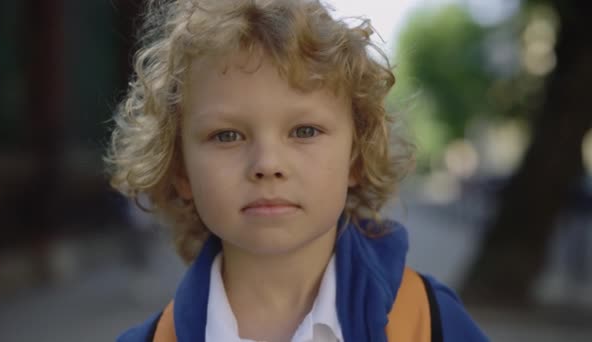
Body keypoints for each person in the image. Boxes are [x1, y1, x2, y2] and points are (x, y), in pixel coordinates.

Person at [105, 0, 489, 341]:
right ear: (180, 170)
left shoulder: (429, 322)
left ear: (355, 157)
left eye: (304, 131)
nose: (267, 165)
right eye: (227, 136)